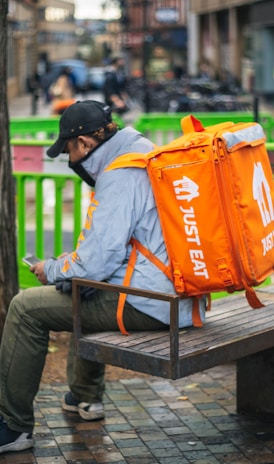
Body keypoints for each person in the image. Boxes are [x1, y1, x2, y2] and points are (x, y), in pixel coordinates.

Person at [0, 100, 206, 454]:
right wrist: (74, 267)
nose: (70, 158)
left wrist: (50, 268)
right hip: (180, 294)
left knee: (26, 308)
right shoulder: (142, 150)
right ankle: (85, 397)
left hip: (154, 303)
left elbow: (95, 263)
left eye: (68, 149)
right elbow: (119, 249)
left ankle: (13, 426)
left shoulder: (119, 175)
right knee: (85, 290)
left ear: (83, 143)